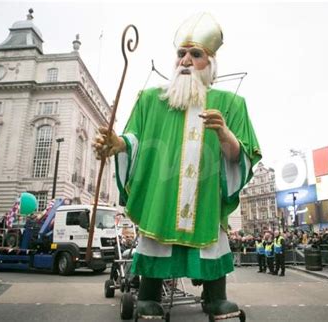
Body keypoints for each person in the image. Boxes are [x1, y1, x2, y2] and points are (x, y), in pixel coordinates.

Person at [93, 12, 261, 318]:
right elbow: (134, 139)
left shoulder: (232, 104)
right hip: (163, 195)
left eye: (195, 54)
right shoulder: (150, 100)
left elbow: (242, 157)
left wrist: (225, 134)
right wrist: (119, 145)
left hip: (207, 196)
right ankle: (149, 295)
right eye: (181, 53)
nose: (185, 60)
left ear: (210, 63)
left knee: (211, 242)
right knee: (156, 241)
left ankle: (215, 296)